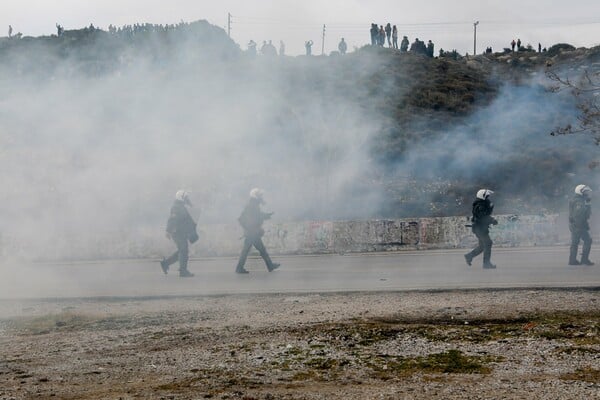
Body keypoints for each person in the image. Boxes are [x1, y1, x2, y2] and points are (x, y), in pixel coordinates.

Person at [235, 188, 280, 274]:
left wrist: (266, 215)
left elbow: (256, 216)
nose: (261, 197)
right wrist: (265, 216)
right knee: (261, 250)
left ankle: (239, 268)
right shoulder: (252, 205)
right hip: (252, 233)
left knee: (247, 251)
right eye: (259, 195)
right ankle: (270, 266)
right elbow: (253, 217)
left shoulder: (253, 204)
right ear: (255, 196)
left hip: (252, 233)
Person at [160, 190, 198, 277]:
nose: (187, 199)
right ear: (181, 198)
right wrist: (168, 231)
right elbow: (172, 219)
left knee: (182, 250)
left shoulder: (182, 206)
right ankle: (183, 271)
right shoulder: (176, 207)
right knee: (183, 250)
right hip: (177, 232)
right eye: (186, 198)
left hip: (181, 232)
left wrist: (191, 204)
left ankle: (166, 263)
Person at [464, 189, 498, 269]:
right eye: (486, 196)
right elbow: (482, 217)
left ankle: (469, 256)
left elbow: (484, 215)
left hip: (481, 228)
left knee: (482, 245)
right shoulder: (480, 205)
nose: (488, 197)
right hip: (480, 228)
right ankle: (486, 264)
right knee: (488, 243)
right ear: (482, 196)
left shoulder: (481, 204)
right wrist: (492, 220)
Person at [568, 185, 594, 266]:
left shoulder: (577, 200)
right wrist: (580, 227)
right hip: (579, 225)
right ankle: (584, 260)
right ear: (580, 192)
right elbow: (578, 215)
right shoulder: (579, 202)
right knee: (587, 241)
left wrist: (588, 204)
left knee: (575, 243)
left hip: (575, 225)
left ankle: (572, 260)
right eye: (585, 192)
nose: (587, 193)